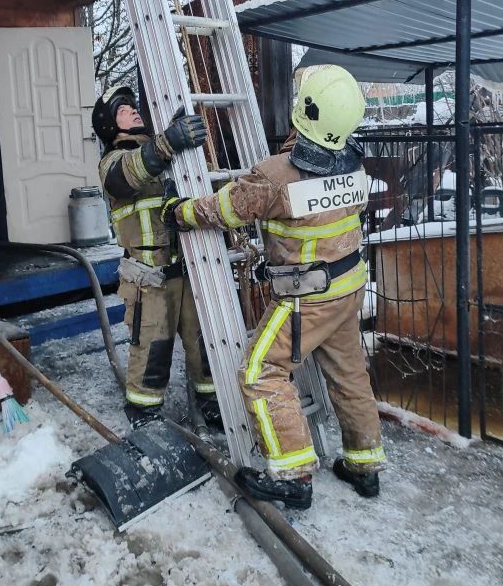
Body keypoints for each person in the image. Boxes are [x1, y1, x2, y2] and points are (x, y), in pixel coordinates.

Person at [161, 65, 386, 510]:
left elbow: (225, 209)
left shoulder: (277, 176)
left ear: (307, 110)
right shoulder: (354, 165)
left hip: (309, 297)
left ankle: (293, 475)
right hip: (349, 287)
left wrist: (178, 212)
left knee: (259, 372)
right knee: (349, 373)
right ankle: (364, 465)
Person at [92, 85, 219, 427]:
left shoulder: (166, 153)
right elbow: (127, 176)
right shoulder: (112, 162)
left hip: (191, 265)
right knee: (154, 347)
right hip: (150, 275)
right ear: (109, 126)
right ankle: (144, 413)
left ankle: (211, 402)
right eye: (123, 110)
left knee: (203, 342)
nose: (134, 111)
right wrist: (167, 143)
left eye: (133, 107)